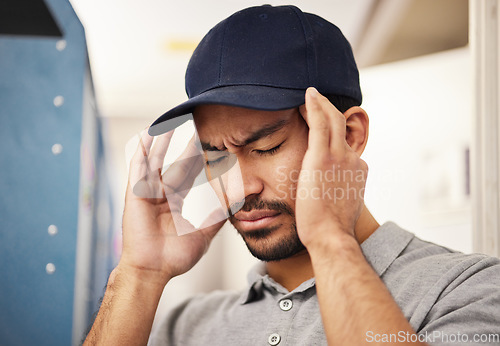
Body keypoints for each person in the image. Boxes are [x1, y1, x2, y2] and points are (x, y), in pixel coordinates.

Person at [84, 5, 500, 346]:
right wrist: (139, 274)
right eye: (216, 157)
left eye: (266, 148)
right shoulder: (182, 327)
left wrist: (331, 242)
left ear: (349, 136)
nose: (241, 188)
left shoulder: (467, 290)